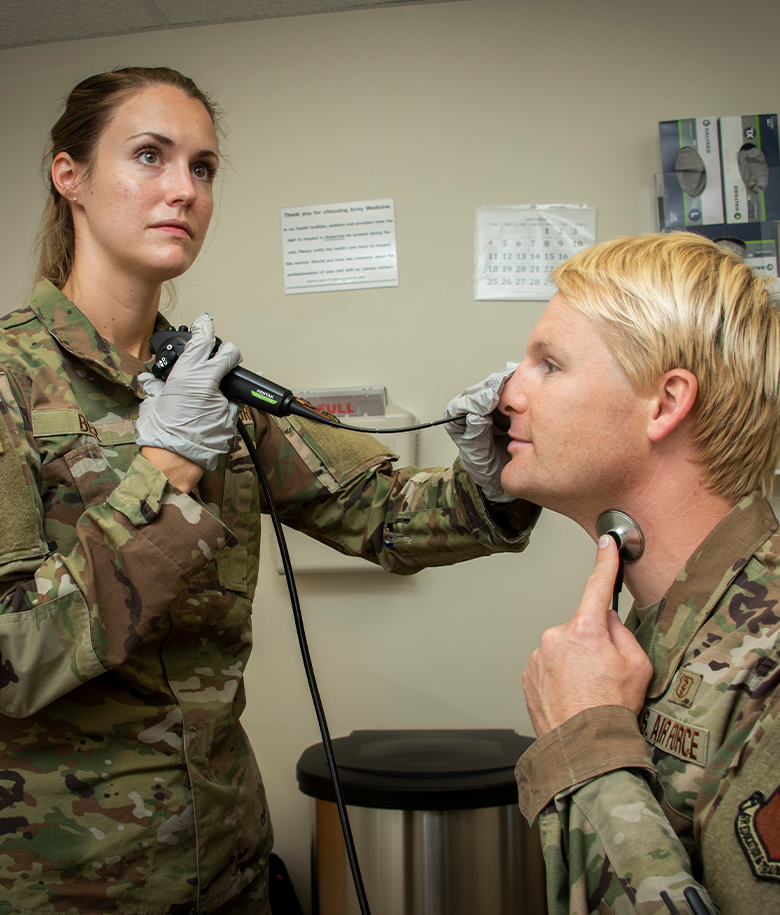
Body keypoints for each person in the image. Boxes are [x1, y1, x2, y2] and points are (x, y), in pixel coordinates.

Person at [0, 67, 539, 914]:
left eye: (203, 167)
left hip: (230, 864)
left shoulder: (210, 385)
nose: (183, 189)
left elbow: (385, 515)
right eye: (150, 156)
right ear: (69, 175)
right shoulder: (8, 381)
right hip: (70, 885)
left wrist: (493, 478)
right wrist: (165, 468)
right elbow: (11, 654)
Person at [490, 233, 780, 915]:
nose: (508, 392)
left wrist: (588, 741)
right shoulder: (650, 630)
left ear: (665, 402)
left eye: (549, 364)